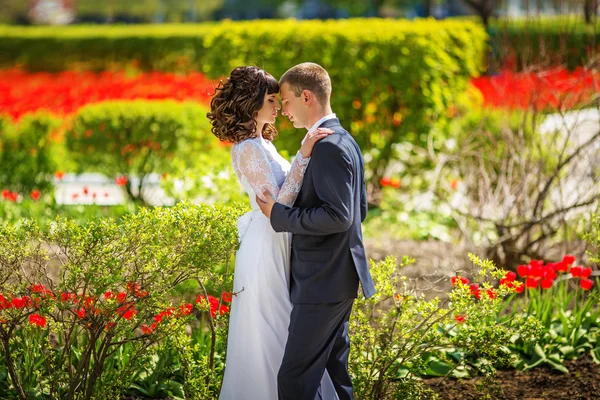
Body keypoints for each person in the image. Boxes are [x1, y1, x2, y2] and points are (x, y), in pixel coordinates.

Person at [207, 66, 337, 400]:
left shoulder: (262, 144)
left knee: (286, 332)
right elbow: (278, 203)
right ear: (252, 105)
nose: (278, 106)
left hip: (280, 240)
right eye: (270, 100)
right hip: (265, 248)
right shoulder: (247, 149)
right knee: (274, 333)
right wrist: (304, 155)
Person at [256, 62, 376, 400]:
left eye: (287, 101)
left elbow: (339, 217)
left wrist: (278, 215)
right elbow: (360, 210)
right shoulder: (344, 140)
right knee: (335, 376)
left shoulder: (328, 147)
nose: (283, 110)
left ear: (306, 96)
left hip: (322, 280)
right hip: (336, 277)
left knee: (294, 379)